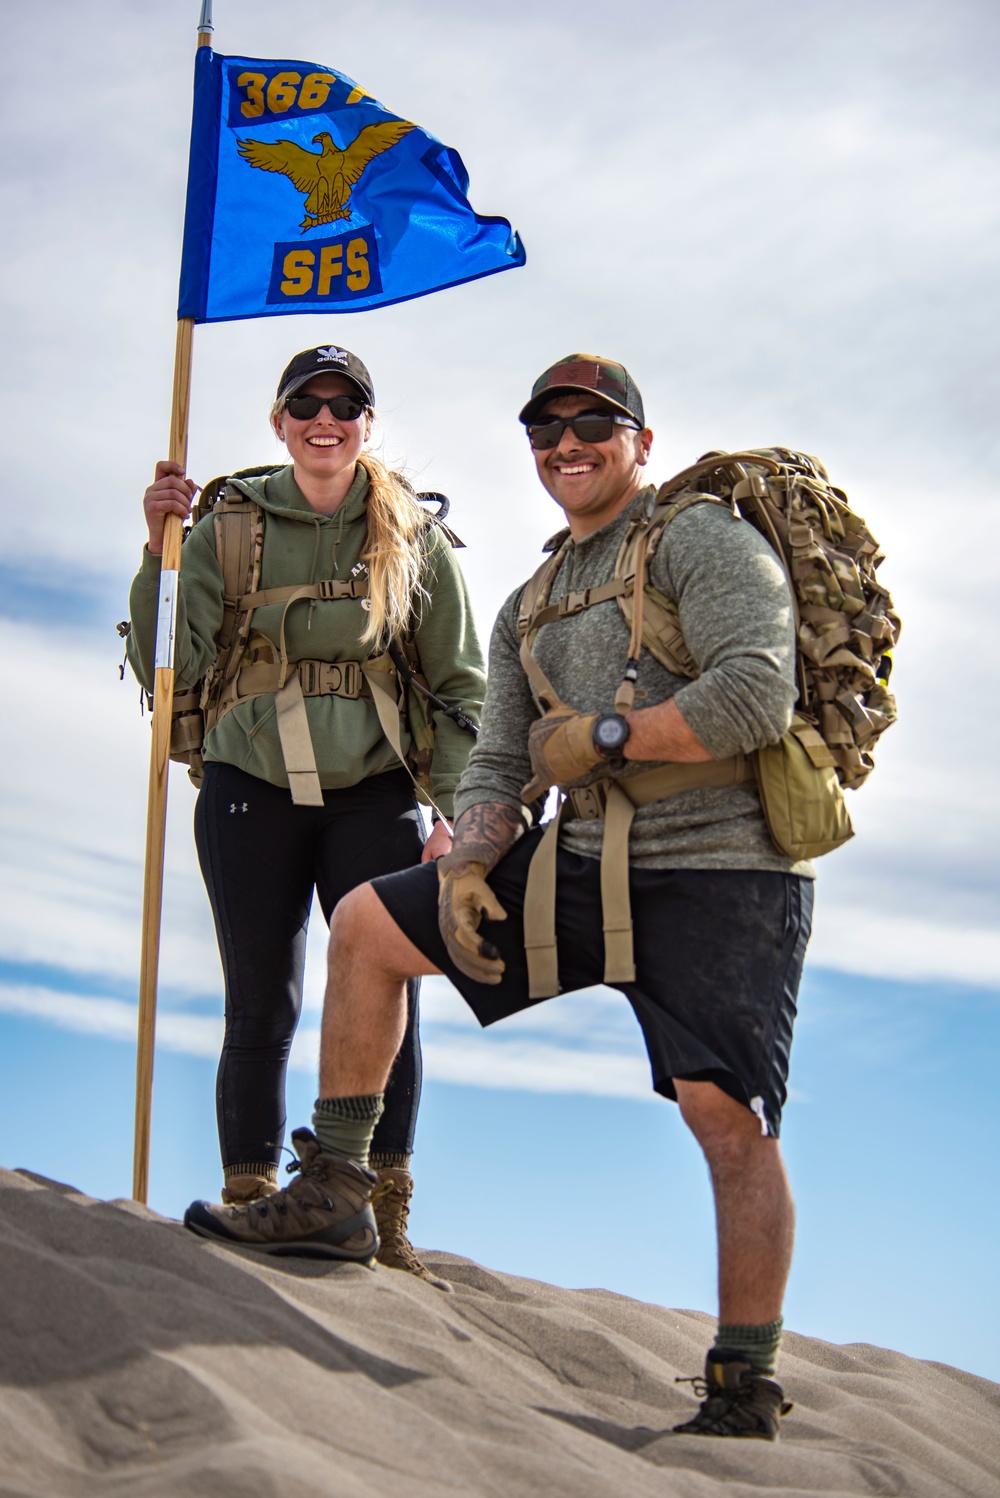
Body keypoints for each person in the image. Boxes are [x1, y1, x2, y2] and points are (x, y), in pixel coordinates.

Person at [184, 353, 813, 1439]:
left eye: (592, 425)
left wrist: (610, 732)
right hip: (585, 859)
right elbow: (501, 761)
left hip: (723, 864)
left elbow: (758, 690)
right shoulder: (531, 597)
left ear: (640, 443)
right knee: (373, 925)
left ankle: (743, 1377)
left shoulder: (702, 538)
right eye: (545, 429)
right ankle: (337, 1186)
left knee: (725, 1119)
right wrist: (471, 854)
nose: (566, 445)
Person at [128, 344, 486, 1284]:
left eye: (346, 404)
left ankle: (382, 1213)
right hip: (250, 787)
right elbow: (165, 661)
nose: (325, 420)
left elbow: (460, 688)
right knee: (264, 1003)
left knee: (387, 990)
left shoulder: (410, 533)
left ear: (368, 422)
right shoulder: (228, 527)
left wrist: (457, 816)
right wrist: (157, 546)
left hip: (374, 792)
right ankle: (251, 1204)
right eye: (306, 404)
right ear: (279, 420)